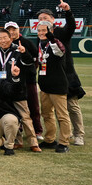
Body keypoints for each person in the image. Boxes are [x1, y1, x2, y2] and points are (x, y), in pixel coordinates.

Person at [36, 0, 85, 146]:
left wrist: (68, 12)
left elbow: (71, 27)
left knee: (72, 106)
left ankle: (78, 134)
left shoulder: (59, 32)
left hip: (67, 75)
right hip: (50, 77)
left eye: (45, 18)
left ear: (52, 19)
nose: (42, 21)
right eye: (40, 19)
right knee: (53, 109)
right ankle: (63, 134)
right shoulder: (40, 37)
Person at [34, 20, 71, 153]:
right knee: (47, 114)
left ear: (51, 31)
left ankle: (64, 142)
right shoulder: (40, 44)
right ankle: (50, 139)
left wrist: (51, 38)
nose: (41, 33)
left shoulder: (55, 42)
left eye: (44, 30)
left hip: (57, 85)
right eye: (39, 31)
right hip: (44, 86)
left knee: (61, 115)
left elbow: (59, 51)